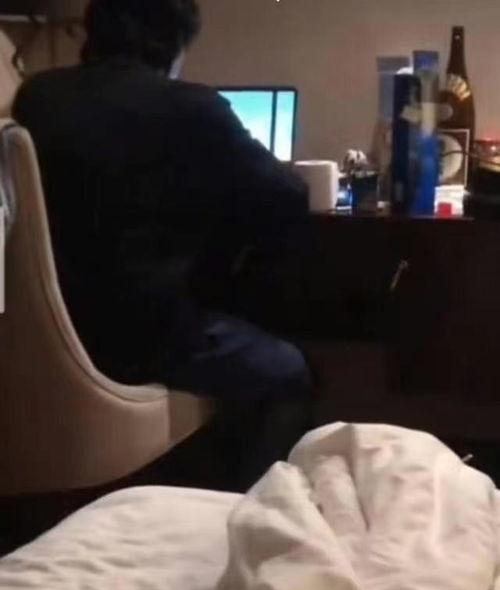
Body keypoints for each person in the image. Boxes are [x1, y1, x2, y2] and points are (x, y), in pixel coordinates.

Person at [13, 0, 313, 490]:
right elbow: (288, 196)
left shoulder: (38, 98)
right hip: (143, 340)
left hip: (50, 331)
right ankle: (236, 505)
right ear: (175, 42)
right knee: (288, 370)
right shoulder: (191, 107)